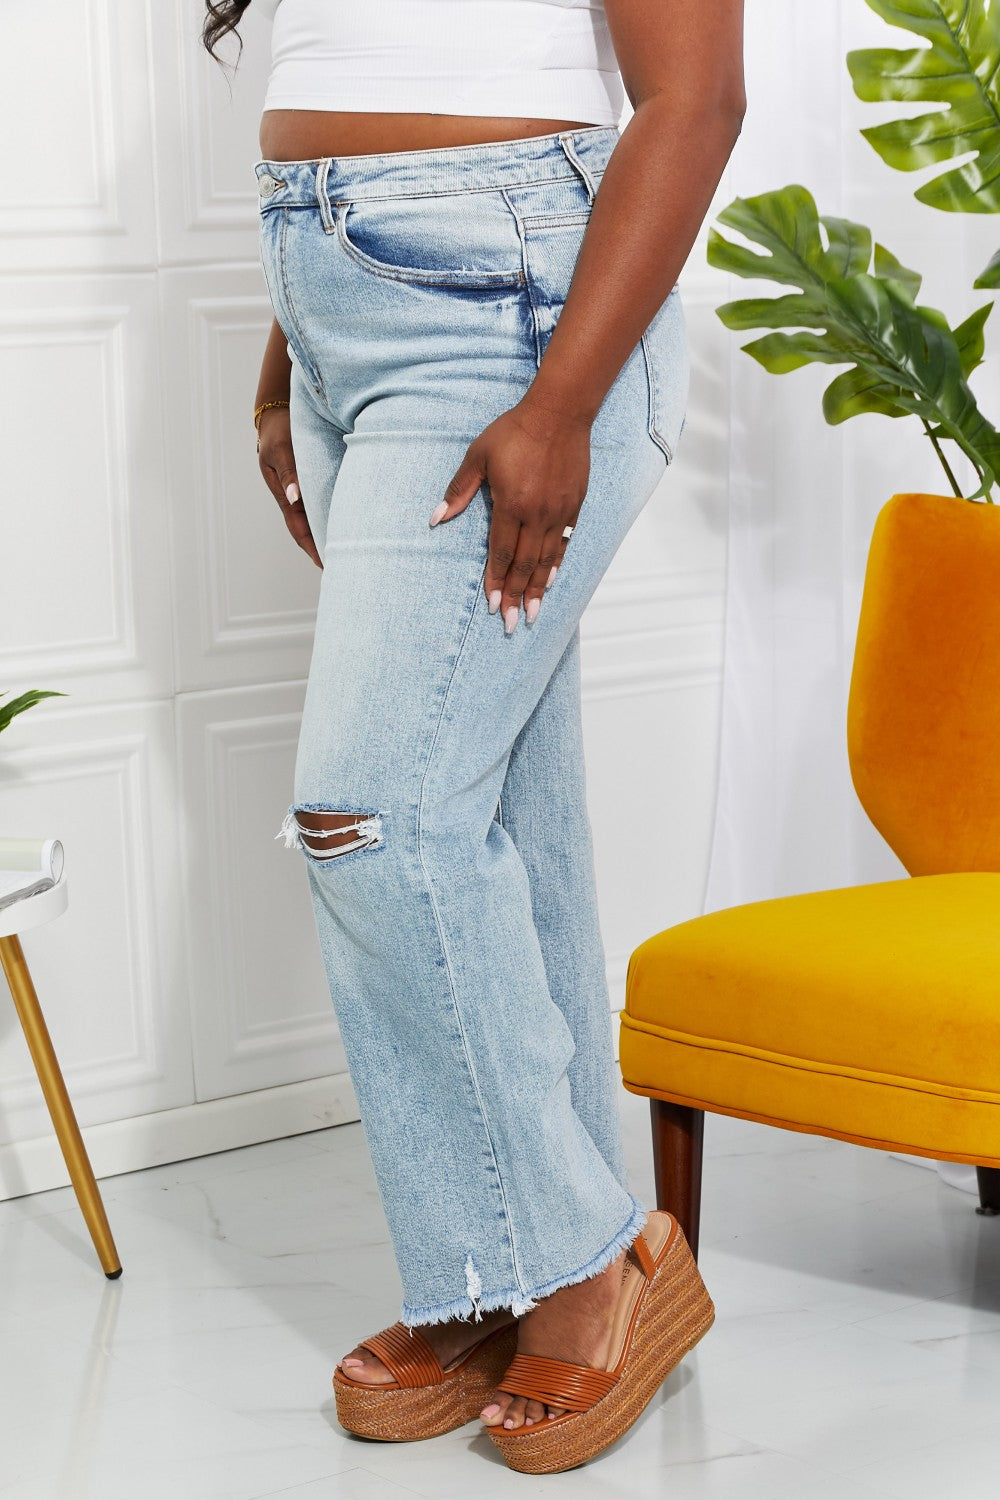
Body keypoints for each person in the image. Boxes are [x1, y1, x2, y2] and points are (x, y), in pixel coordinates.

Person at [203, 0, 745, 1474]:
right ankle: (508, 1262)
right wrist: (285, 359)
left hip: (515, 318)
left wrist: (562, 401)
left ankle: (577, 1269)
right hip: (335, 304)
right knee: (491, 810)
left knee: (375, 815)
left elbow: (694, 101)